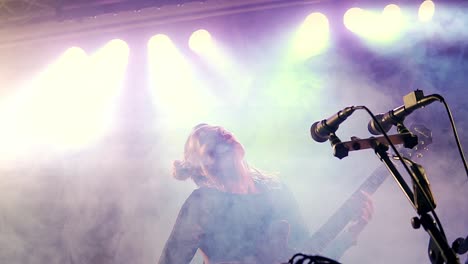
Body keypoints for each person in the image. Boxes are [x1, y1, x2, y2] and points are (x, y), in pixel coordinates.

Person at [158, 124, 372, 264]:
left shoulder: (277, 191)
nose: (220, 132)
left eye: (220, 129)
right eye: (209, 137)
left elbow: (307, 255)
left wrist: (350, 233)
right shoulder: (203, 203)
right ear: (202, 165)